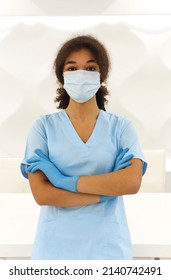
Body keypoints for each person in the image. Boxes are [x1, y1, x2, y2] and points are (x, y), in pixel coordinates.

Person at [20, 35, 147, 260]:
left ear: (101, 75)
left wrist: (62, 181)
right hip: (56, 248)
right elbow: (42, 194)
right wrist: (105, 193)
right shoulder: (43, 127)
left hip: (107, 248)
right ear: (61, 76)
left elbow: (131, 182)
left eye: (90, 67)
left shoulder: (121, 127)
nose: (81, 74)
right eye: (72, 68)